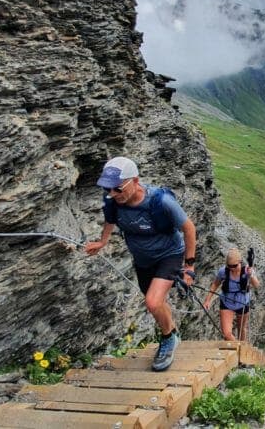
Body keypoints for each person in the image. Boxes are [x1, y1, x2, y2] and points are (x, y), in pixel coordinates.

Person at [85, 157, 196, 371]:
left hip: (169, 254)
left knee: (153, 302)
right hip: (143, 260)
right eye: (108, 189)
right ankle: (171, 330)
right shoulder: (112, 201)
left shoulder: (161, 201)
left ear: (134, 181)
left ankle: (168, 338)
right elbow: (110, 220)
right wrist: (103, 241)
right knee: (155, 302)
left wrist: (189, 267)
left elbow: (189, 228)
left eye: (117, 189)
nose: (112, 194)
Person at [202, 248, 260, 341]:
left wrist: (251, 275)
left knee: (242, 329)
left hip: (243, 303)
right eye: (229, 266)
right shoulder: (223, 271)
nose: (232, 268)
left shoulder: (247, 271)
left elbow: (256, 285)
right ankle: (239, 348)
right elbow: (215, 284)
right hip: (226, 303)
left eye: (234, 266)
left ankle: (242, 348)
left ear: (240, 262)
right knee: (226, 334)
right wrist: (207, 300)